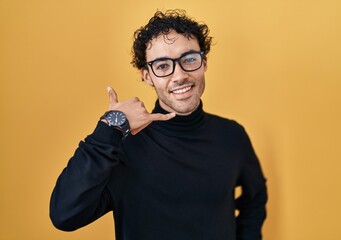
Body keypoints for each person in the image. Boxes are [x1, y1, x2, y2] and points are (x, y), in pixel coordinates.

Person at [50, 9, 267, 240]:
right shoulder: (123, 146)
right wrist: (109, 127)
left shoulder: (232, 136)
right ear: (147, 76)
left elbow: (255, 198)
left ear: (204, 63)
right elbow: (65, 214)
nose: (179, 75)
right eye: (163, 66)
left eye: (189, 59)